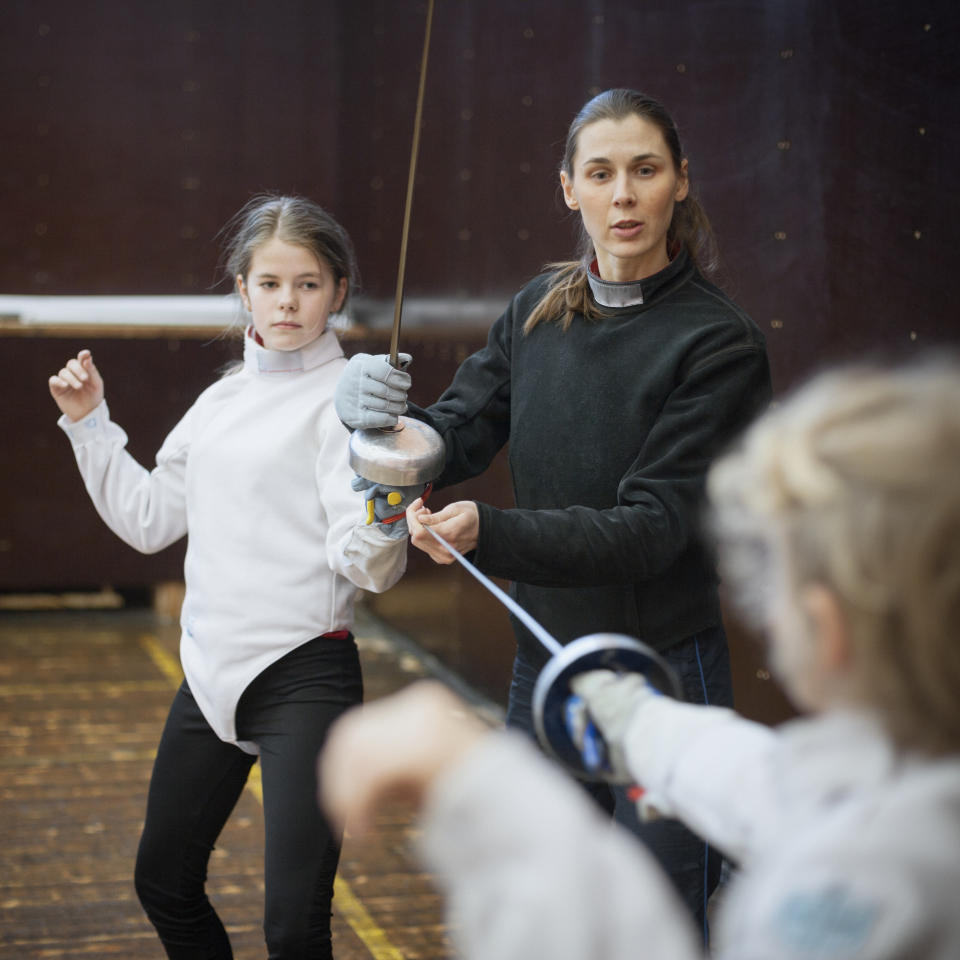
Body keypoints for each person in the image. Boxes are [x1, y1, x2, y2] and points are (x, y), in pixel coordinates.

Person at [320, 360, 960, 960]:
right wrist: (641, 723)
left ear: (827, 628)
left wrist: (470, 781)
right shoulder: (894, 789)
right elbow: (777, 789)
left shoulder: (866, 893)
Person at [333, 87, 771, 930]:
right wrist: (379, 420)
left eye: (645, 171)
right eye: (600, 173)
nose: (624, 195)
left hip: (664, 672)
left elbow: (651, 530)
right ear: (569, 188)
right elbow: (456, 430)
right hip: (547, 662)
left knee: (666, 919)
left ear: (680, 180)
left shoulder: (719, 344)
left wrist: (489, 532)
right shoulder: (538, 312)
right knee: (548, 901)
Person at [47, 194, 413, 959]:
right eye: (271, 282)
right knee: (164, 882)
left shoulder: (347, 408)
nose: (287, 301)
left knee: (293, 930)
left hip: (303, 676)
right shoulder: (220, 400)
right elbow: (149, 519)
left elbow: (368, 566)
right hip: (208, 674)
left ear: (338, 291)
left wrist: (385, 514)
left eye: (308, 284)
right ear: (242, 290)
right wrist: (91, 424)